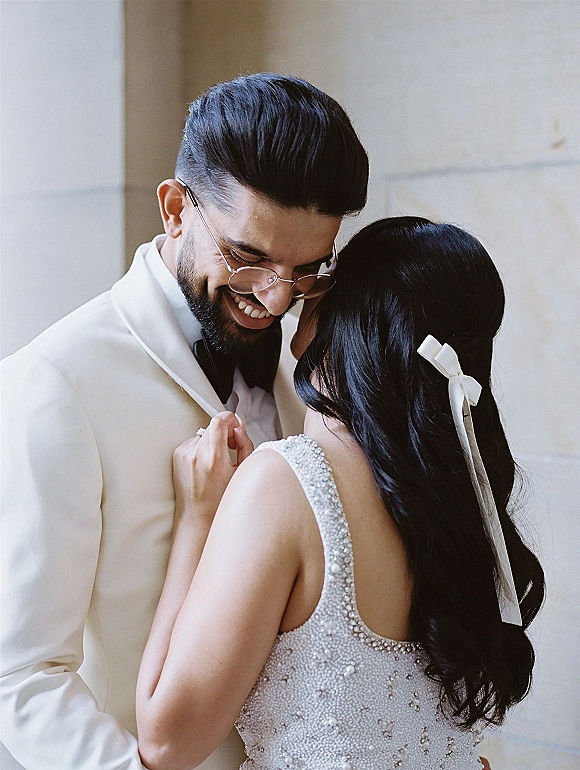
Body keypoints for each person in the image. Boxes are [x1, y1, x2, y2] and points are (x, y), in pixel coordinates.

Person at [0, 73, 369, 770]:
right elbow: (19, 677)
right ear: (175, 208)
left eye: (307, 269)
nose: (275, 298)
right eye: (246, 256)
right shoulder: (56, 383)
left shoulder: (314, 373)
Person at [135, 217, 545, 770]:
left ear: (353, 317)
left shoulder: (286, 482)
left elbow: (166, 744)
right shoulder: (460, 498)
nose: (298, 295)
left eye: (325, 280)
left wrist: (197, 519)